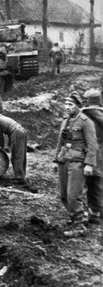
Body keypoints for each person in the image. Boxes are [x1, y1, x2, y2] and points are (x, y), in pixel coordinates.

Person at [53, 91, 98, 237]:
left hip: (77, 163)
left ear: (78, 106)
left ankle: (79, 226)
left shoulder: (86, 122)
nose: (67, 107)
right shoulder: (66, 119)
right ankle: (76, 218)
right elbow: (60, 141)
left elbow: (93, 145)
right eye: (65, 104)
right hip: (64, 160)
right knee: (64, 196)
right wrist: (55, 160)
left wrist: (89, 164)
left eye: (70, 104)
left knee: (74, 196)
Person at [0, 112, 35, 191]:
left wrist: (2, 147)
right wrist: (8, 145)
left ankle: (19, 178)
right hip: (22, 130)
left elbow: (0, 136)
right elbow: (9, 129)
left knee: (16, 156)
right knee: (21, 155)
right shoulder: (0, 117)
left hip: (17, 132)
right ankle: (21, 175)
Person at [82, 88, 103, 226]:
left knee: (86, 183)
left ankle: (89, 212)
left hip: (88, 152)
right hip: (101, 153)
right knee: (98, 182)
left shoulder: (84, 116)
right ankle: (97, 210)